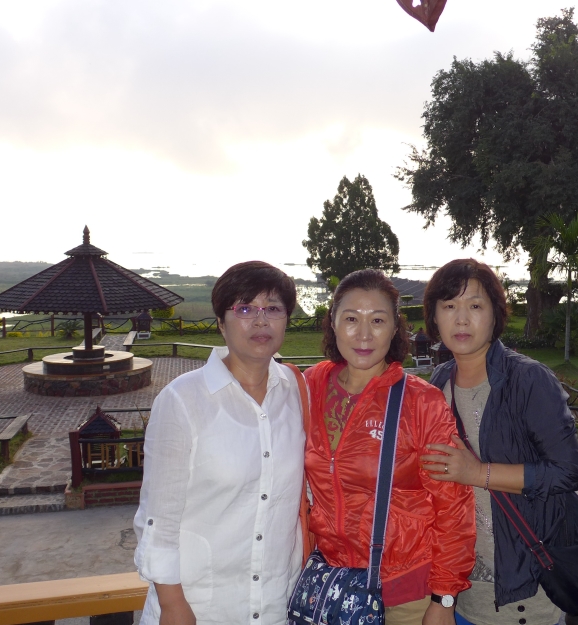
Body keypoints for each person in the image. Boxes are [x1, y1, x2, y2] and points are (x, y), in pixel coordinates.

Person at [134, 261, 307, 625]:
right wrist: (173, 606)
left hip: (278, 606)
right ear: (221, 323)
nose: (260, 321)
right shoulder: (183, 400)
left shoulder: (298, 391)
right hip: (201, 608)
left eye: (273, 308)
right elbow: (158, 519)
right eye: (244, 309)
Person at [302, 269, 476, 625]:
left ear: (396, 327)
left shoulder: (421, 402)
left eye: (378, 320)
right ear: (332, 323)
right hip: (333, 580)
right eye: (351, 319)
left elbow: (454, 508)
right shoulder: (310, 385)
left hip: (407, 590)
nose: (364, 334)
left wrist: (444, 599)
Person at [419, 259, 578, 625]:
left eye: (475, 306)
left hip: (522, 595)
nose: (461, 319)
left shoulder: (528, 380)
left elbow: (569, 471)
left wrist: (478, 473)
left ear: (495, 314)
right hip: (458, 593)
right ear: (434, 317)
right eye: (449, 306)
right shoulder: (438, 383)